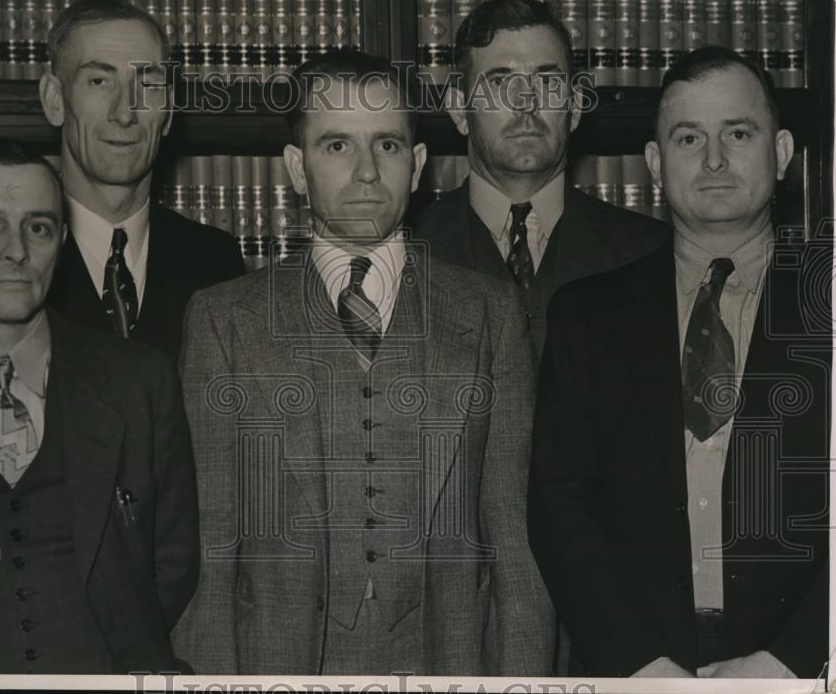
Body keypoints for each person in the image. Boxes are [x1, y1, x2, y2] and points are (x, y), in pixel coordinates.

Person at [171, 51, 552, 675]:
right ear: (297, 167)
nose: (367, 173)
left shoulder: (490, 314)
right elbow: (210, 547)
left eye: (388, 146)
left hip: (450, 658)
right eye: (337, 146)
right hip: (280, 662)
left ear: (419, 165)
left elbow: (516, 542)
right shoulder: (225, 320)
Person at [528, 47, 830, 679]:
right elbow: (561, 510)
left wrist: (788, 663)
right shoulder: (586, 317)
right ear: (656, 164)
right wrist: (640, 667)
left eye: (737, 134)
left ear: (779, 153)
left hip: (805, 664)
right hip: (635, 669)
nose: (714, 160)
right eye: (689, 137)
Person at [0, 138, 200, 674]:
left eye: (39, 227)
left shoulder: (137, 379)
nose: (17, 251)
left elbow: (172, 565)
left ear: (63, 241)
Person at [0, 0, 245, 359]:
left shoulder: (215, 261)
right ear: (55, 100)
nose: (125, 113)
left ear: (169, 111)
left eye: (148, 84)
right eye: (98, 81)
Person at [413, 0, 669, 358]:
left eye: (547, 82)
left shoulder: (650, 254)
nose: (526, 101)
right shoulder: (407, 255)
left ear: (576, 107)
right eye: (501, 83)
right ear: (458, 111)